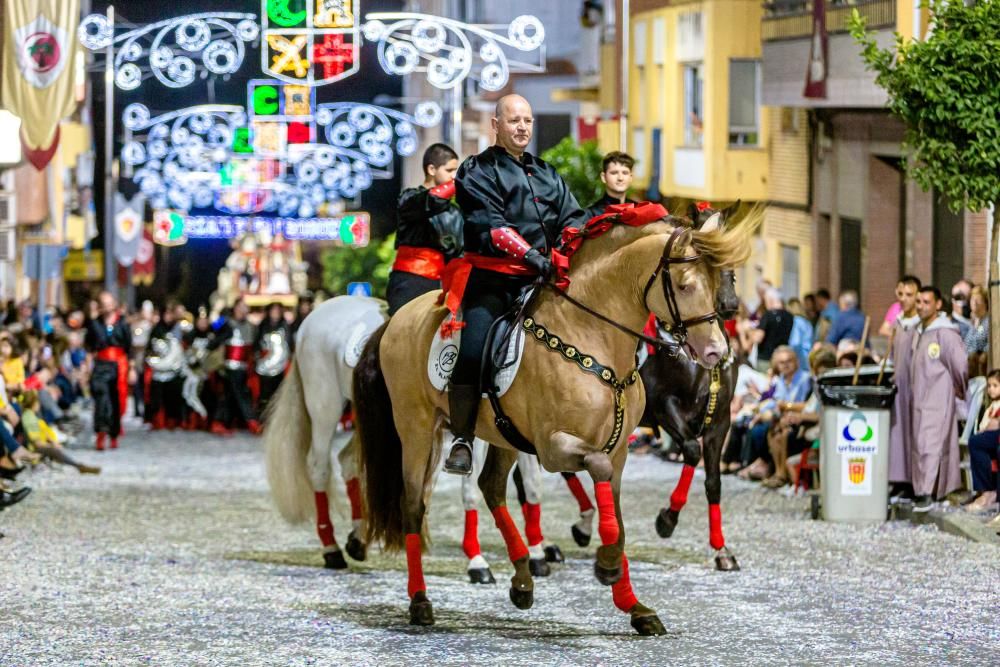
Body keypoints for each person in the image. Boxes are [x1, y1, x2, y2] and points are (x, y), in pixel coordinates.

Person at [444, 94, 587, 475]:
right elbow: (491, 225)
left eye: (527, 120)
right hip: (492, 280)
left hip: (541, 281)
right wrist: (532, 256)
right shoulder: (476, 170)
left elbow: (573, 217)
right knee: (473, 351)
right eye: (513, 121)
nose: (522, 127)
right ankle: (461, 438)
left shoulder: (547, 172)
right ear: (496, 124)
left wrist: (567, 246)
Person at [385, 143, 462, 315]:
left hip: (445, 286)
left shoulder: (455, 212)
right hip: (409, 282)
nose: (454, 176)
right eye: (449, 170)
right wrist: (458, 183)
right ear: (432, 169)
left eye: (456, 170)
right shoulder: (410, 198)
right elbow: (429, 201)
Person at [909, 285, 968, 512]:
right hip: (920, 397)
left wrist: (958, 388)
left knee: (931, 443)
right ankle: (925, 489)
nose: (922, 306)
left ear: (938, 304)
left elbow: (960, 364)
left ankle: (927, 491)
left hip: (938, 395)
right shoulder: (920, 330)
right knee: (921, 443)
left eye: (926, 302)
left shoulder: (945, 332)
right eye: (919, 302)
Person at [85, 291, 132, 451]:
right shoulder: (94, 323)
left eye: (109, 303)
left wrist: (131, 369)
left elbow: (128, 347)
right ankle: (101, 432)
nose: (106, 307)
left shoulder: (123, 323)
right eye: (103, 304)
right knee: (101, 399)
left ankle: (114, 433)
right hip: (101, 364)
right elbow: (90, 346)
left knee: (115, 400)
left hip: (119, 365)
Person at [888, 275, 921, 496]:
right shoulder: (898, 322)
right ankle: (899, 478)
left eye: (909, 295)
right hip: (898, 385)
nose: (904, 299)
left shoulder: (920, 324)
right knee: (898, 432)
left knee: (914, 433)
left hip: (915, 386)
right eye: (900, 294)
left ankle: (913, 480)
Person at [211, 298, 260, 436]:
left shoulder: (251, 327)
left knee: (230, 395)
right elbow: (212, 327)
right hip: (228, 366)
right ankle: (251, 421)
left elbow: (253, 345)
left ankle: (222, 422)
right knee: (239, 394)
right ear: (235, 308)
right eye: (241, 307)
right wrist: (220, 317)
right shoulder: (226, 322)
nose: (244, 310)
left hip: (244, 366)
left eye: (246, 307)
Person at [964, 370, 1000, 513]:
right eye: (989, 386)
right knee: (976, 442)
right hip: (991, 436)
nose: (991, 389)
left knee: (975, 442)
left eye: (995, 385)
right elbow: (985, 426)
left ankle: (988, 493)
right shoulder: (991, 407)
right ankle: (986, 491)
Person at [254, 302, 293, 417]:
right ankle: (263, 416)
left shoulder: (285, 326)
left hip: (281, 367)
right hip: (264, 366)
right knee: (264, 394)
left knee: (278, 394)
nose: (275, 313)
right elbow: (257, 344)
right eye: (273, 310)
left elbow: (289, 345)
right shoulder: (262, 326)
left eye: (277, 311)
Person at [749, 288, 793, 373]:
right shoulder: (789, 316)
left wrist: (750, 330)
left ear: (770, 300)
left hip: (766, 360)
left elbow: (758, 338)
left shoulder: (767, 315)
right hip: (782, 358)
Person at [584, 151, 637, 220]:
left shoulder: (638, 209)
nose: (620, 178)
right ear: (603, 177)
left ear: (631, 177)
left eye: (625, 173)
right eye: (614, 173)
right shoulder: (591, 214)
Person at [963, 285, 988, 378]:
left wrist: (985, 352)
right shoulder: (972, 322)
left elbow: (986, 343)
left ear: (985, 303)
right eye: (972, 299)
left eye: (978, 299)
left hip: (980, 370)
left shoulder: (988, 322)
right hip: (968, 366)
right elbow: (967, 344)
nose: (975, 303)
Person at [786, 297, 814, 371]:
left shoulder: (795, 321)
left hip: (799, 357)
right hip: (807, 356)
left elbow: (795, 342)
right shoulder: (807, 322)